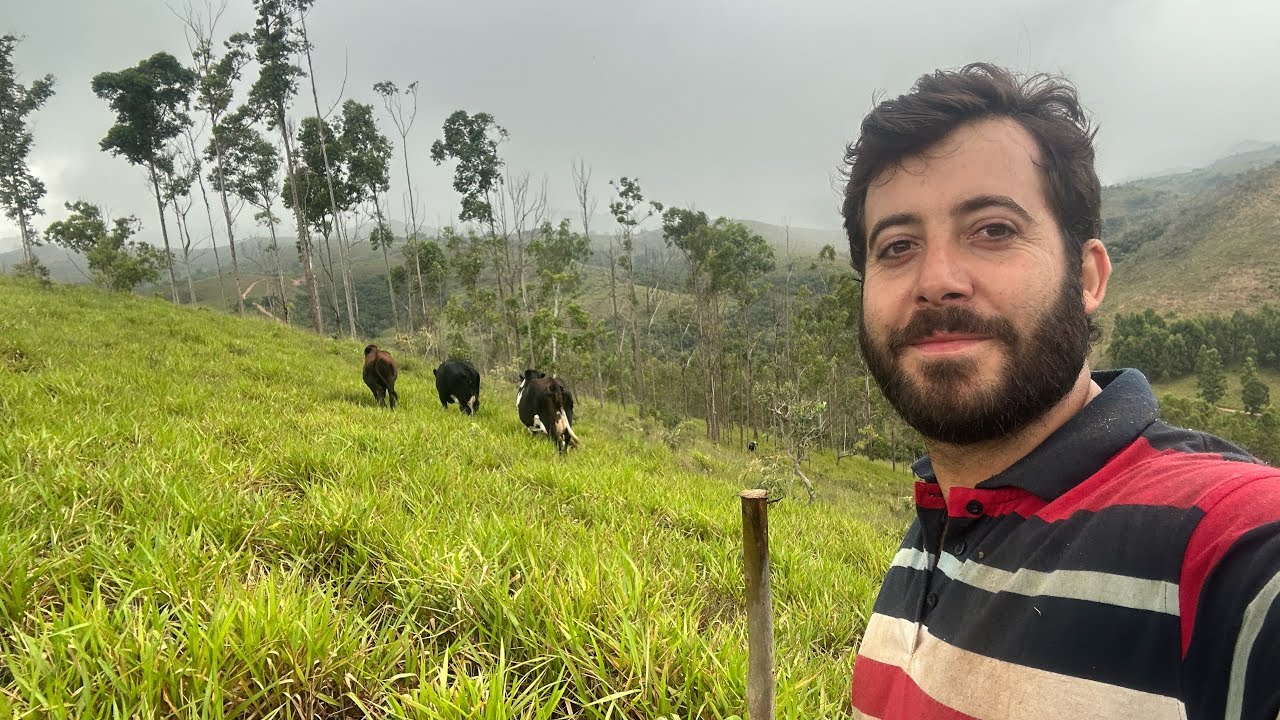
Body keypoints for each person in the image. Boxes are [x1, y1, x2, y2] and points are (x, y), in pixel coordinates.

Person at [840, 63, 1280, 720]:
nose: (937, 280)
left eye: (993, 230)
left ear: (1087, 276)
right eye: (897, 245)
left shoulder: (1229, 547)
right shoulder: (934, 524)